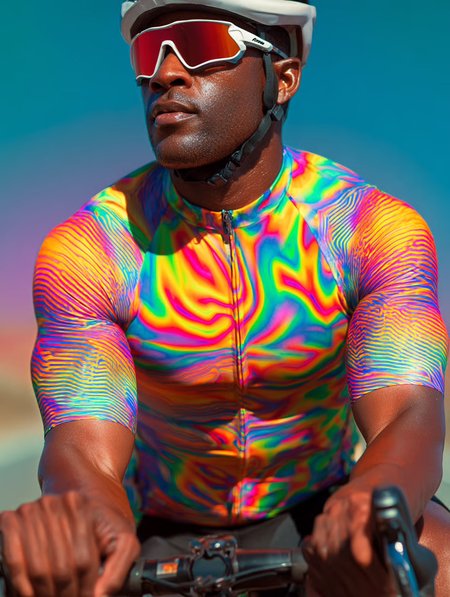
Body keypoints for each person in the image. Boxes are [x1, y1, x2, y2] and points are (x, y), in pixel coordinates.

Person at [1, 0, 449, 595]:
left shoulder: (368, 229)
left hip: (322, 509)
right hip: (149, 521)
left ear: (281, 79)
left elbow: (408, 413)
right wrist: (84, 519)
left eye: (200, 43)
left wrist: (372, 498)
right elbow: (83, 445)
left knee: (438, 555)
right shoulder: (92, 249)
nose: (165, 73)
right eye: (147, 53)